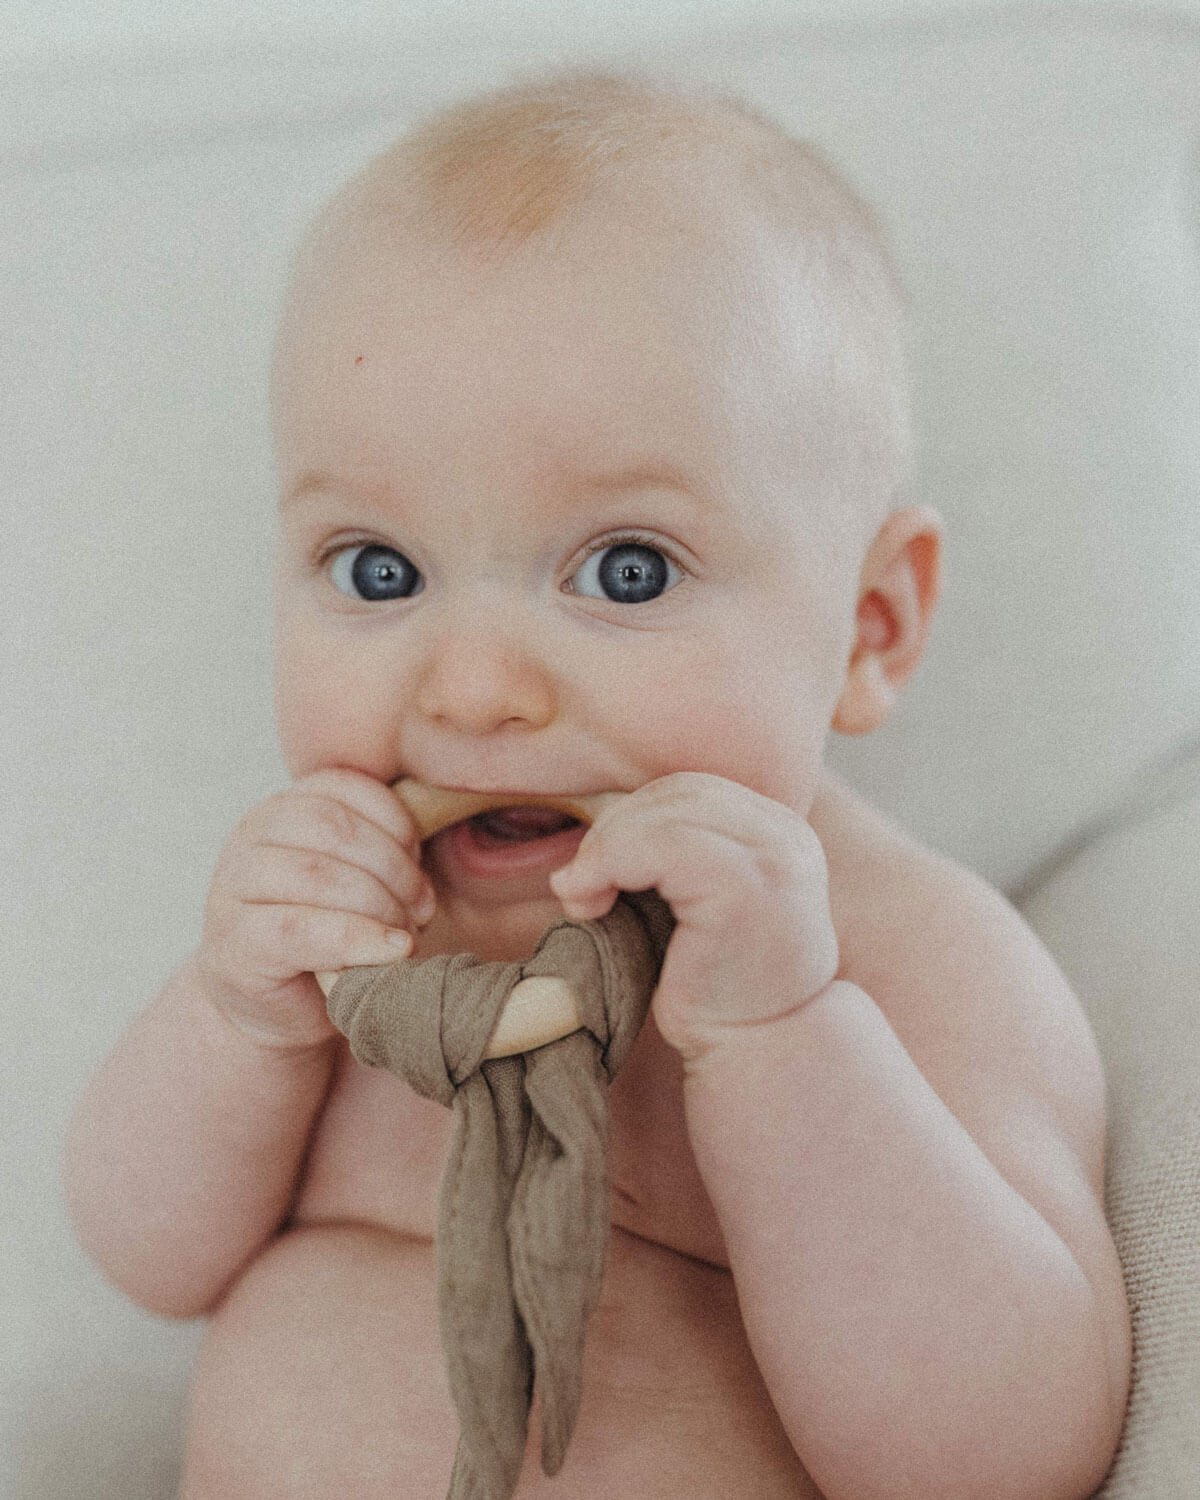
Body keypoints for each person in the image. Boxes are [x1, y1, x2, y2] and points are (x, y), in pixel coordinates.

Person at [63, 65, 1131, 1499]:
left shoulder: (907, 963)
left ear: (871, 627)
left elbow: (1003, 1456)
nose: (476, 691)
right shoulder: (346, 930)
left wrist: (785, 1038)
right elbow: (151, 1257)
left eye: (628, 572)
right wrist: (230, 1017)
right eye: (380, 573)